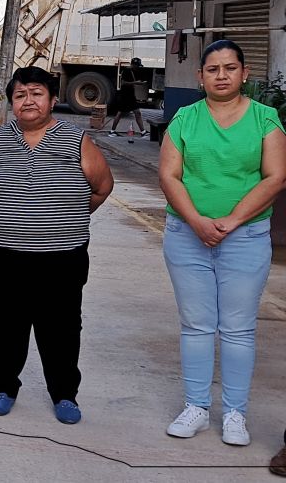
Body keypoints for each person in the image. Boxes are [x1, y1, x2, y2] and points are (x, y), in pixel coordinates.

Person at [0, 66, 113, 423]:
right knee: (3, 323)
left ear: (52, 100)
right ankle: (4, 386)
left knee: (60, 326)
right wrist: (9, 215)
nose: (28, 100)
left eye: (36, 93)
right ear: (13, 102)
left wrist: (63, 217)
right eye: (20, 95)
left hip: (61, 256)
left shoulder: (76, 140)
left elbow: (102, 188)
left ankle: (64, 395)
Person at [159, 39, 286, 446]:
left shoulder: (266, 119)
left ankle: (235, 414)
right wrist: (196, 221)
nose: (221, 75)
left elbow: (276, 176)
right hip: (187, 235)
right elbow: (169, 175)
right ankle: (196, 406)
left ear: (244, 73)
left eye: (230, 68)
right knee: (196, 325)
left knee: (237, 328)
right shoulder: (185, 118)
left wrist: (231, 221)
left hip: (245, 237)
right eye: (213, 69)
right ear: (200, 77)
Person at [108, 57, 147, 137]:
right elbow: (123, 83)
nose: (138, 68)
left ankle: (143, 131)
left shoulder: (132, 71)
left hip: (130, 96)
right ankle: (112, 131)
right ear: (133, 65)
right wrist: (135, 82)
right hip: (125, 96)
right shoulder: (126, 71)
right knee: (120, 113)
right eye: (137, 66)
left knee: (137, 113)